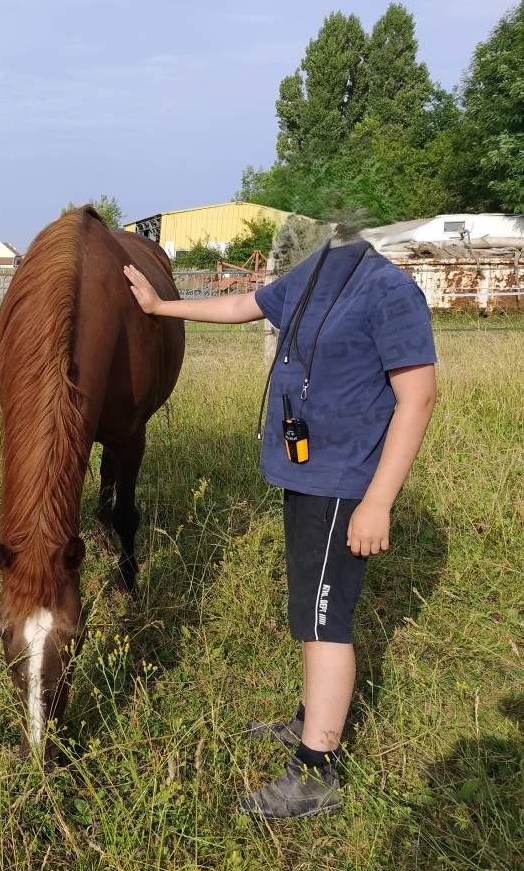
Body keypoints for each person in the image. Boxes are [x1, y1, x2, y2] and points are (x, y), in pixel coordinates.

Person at [124, 238, 436, 818]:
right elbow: (246, 306)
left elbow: (417, 399)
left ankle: (316, 774)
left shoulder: (391, 290)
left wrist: (378, 502)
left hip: (346, 482)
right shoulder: (315, 269)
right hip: (307, 473)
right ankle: (307, 721)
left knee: (324, 620)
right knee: (308, 611)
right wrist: (159, 308)